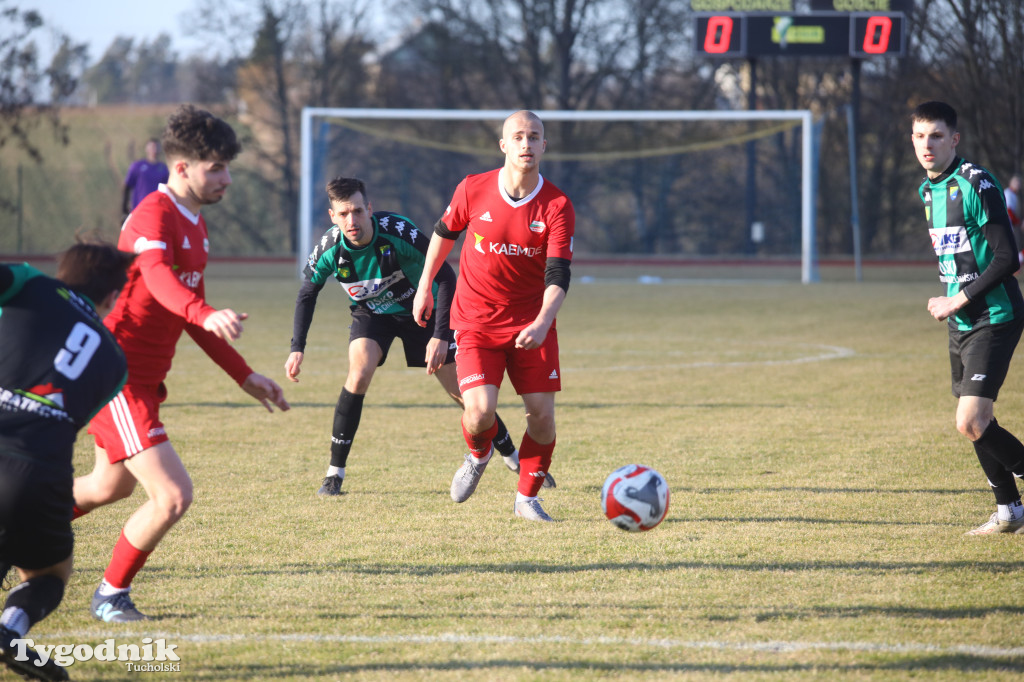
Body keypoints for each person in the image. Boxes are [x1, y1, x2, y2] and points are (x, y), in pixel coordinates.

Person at [72, 104, 290, 623]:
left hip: (144, 381)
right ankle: (110, 594)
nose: (227, 178)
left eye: (228, 167)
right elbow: (157, 277)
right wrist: (203, 311)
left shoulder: (195, 223)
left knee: (107, 487)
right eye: (217, 168)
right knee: (171, 496)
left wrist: (244, 375)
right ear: (182, 167)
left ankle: (14, 525)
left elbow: (192, 312)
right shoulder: (153, 213)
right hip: (116, 376)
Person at [285, 177, 536, 496]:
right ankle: (334, 474)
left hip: (424, 311)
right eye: (344, 214)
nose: (352, 220)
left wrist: (440, 336)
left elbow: (446, 276)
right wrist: (297, 348)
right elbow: (307, 293)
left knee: (465, 397)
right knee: (358, 374)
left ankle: (512, 456)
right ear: (333, 216)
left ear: (369, 209)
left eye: (358, 211)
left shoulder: (398, 232)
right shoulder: (329, 249)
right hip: (373, 314)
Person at [412, 110, 575, 522]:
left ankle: (526, 500)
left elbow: (558, 274)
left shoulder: (557, 205)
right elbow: (443, 235)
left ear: (544, 146)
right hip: (476, 321)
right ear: (503, 145)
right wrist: (424, 285)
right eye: (517, 136)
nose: (526, 144)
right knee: (480, 413)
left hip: (531, 324)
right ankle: (478, 453)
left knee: (542, 417)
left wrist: (542, 321)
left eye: (533, 136)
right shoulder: (473, 188)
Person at [1, 241, 133, 681]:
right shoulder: (115, 361)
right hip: (41, 473)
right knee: (50, 574)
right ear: (111, 297)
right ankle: (9, 629)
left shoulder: (28, 283)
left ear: (61, 272)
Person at [911, 101, 1024, 535]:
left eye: (936, 135)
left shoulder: (977, 183)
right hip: (960, 322)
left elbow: (1007, 258)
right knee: (978, 423)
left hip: (995, 315)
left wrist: (955, 299)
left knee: (970, 421)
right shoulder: (927, 190)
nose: (927, 144)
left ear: (954, 139)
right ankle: (1010, 511)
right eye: (919, 136)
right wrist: (954, 303)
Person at [122, 138, 169, 216]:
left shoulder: (164, 169)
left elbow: (167, 190)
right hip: (138, 209)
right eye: (152, 147)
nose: (154, 150)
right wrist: (124, 207)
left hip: (157, 210)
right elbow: (127, 187)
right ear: (146, 149)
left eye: (157, 147)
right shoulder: (137, 166)